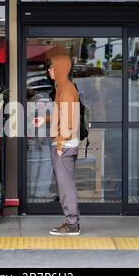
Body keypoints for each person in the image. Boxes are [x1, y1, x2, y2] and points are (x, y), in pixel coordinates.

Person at [38, 54, 81, 236]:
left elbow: (69, 121)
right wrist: (45, 119)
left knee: (66, 186)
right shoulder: (63, 88)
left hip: (65, 144)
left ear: (61, 68)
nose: (49, 71)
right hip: (64, 143)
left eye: (52, 67)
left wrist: (60, 143)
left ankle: (72, 224)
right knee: (65, 185)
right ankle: (71, 222)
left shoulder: (67, 90)